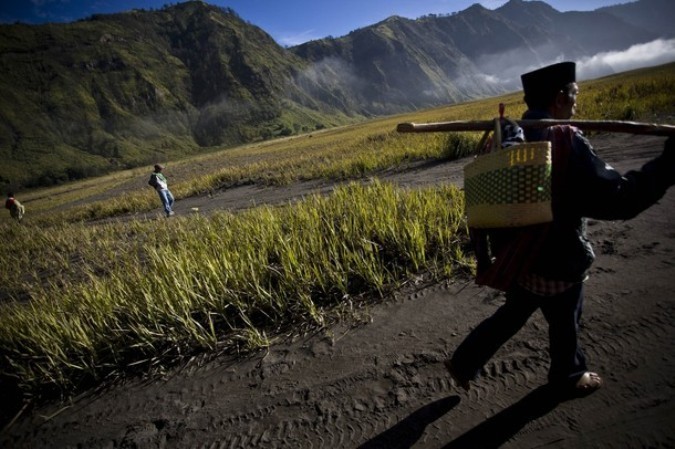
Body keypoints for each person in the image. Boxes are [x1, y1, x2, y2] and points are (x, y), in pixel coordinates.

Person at [445, 61, 675, 395]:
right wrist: (668, 164)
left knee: (512, 315)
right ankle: (568, 374)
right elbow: (619, 199)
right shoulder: (566, 140)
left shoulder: (512, 135)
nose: (576, 102)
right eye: (574, 94)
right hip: (559, 263)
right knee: (566, 319)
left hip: (522, 259)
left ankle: (464, 361)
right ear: (559, 98)